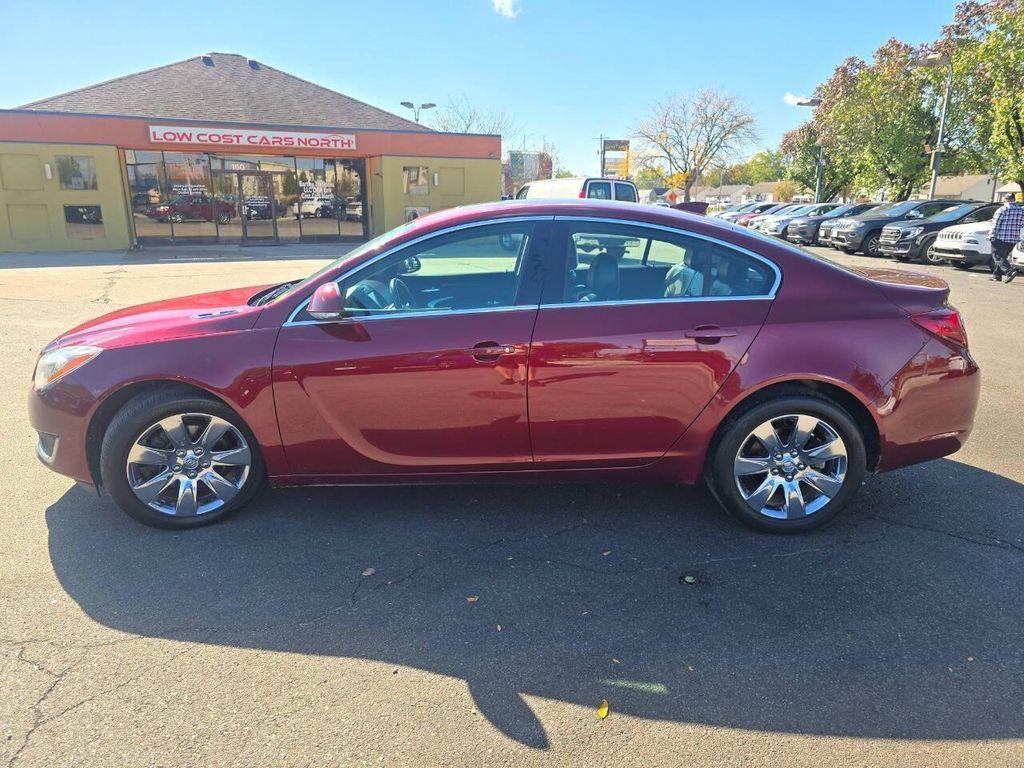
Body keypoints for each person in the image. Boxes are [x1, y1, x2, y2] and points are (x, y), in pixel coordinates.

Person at [988, 192, 1023, 283]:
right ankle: (996, 276)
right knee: (1002, 257)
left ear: (1005, 199)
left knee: (997, 256)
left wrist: (991, 235)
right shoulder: (1021, 210)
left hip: (1001, 237)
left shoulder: (1002, 209)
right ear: (1014, 199)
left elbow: (996, 224)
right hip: (1013, 239)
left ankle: (1009, 271)